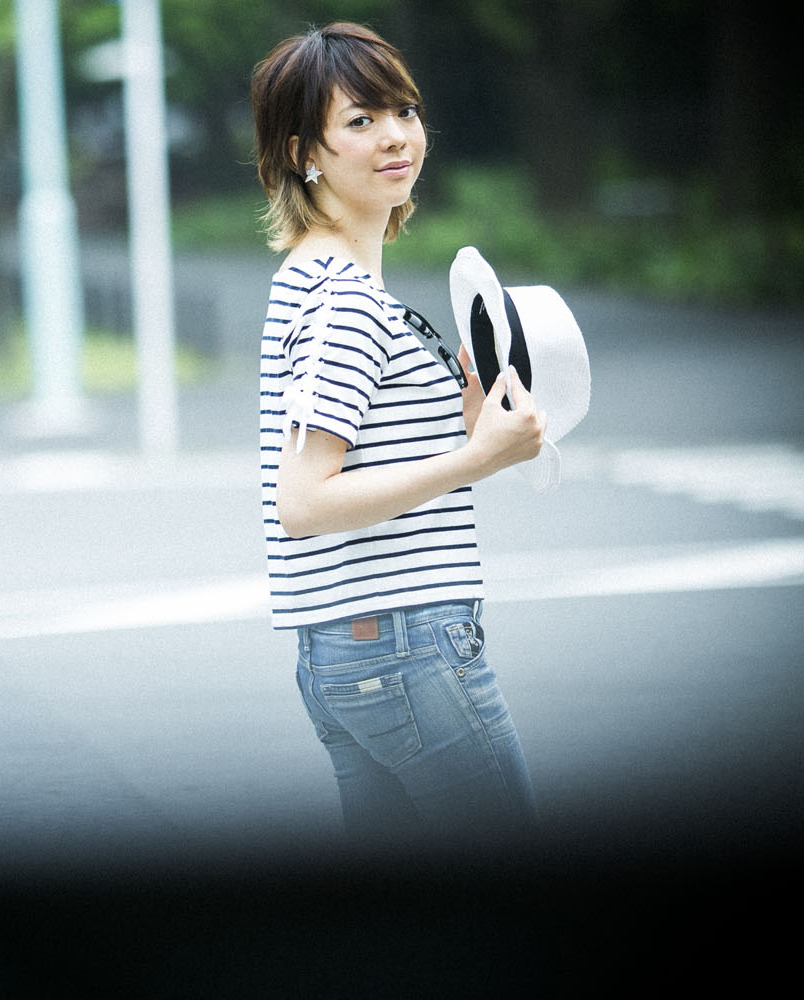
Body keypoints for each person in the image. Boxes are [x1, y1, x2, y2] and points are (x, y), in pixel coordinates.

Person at [251, 22, 543, 843]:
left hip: (354, 648)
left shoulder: (318, 280)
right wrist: (473, 456)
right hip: (405, 646)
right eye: (360, 120)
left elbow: (366, 459)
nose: (395, 136)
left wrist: (467, 438)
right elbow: (305, 502)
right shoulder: (342, 299)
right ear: (304, 153)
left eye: (404, 111)